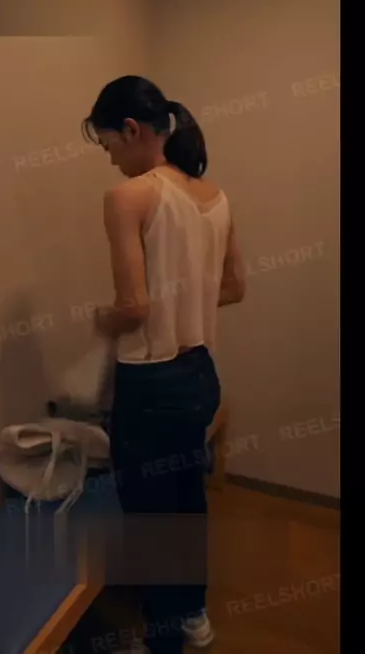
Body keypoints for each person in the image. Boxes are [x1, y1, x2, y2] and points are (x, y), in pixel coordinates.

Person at [82, 76, 246, 653]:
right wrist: (186, 302)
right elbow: (235, 288)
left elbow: (134, 307)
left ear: (131, 131)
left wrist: (101, 320)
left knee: (150, 516)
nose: (111, 160)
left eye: (108, 145)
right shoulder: (215, 196)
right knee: (185, 498)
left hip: (151, 384)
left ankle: (162, 638)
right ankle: (192, 613)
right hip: (200, 376)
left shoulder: (128, 196)